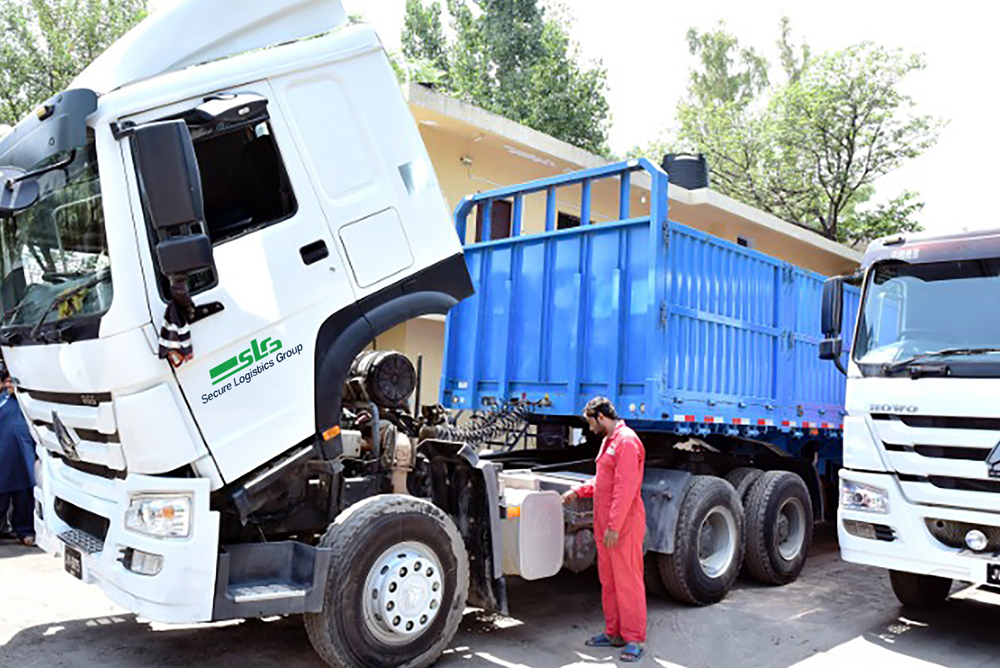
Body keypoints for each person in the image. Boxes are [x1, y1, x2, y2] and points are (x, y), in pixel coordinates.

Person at [563, 396, 647, 662]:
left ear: (601, 417)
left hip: (623, 525)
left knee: (628, 581)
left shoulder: (627, 442)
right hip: (606, 524)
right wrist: (579, 490)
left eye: (590, 422)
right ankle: (614, 633)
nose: (590, 428)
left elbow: (625, 488)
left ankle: (634, 639)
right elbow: (604, 480)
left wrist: (614, 526)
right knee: (609, 580)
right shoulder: (609, 441)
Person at [0, 365, 36, 547]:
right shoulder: (2, 401)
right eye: (7, 381)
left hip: (24, 459)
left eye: (12, 381)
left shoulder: (30, 404)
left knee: (24, 498)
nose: (10, 385)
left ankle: (24, 532)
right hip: (3, 459)